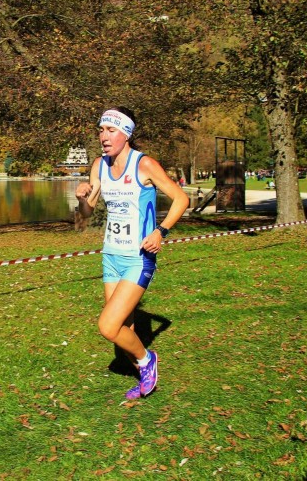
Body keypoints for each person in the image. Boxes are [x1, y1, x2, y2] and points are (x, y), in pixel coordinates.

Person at [75, 107, 189, 400]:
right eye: (101, 130)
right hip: (110, 256)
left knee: (108, 325)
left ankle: (147, 360)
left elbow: (181, 198)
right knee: (124, 327)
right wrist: (82, 198)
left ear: (126, 133)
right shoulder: (99, 165)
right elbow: (87, 213)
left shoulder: (145, 165)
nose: (103, 136)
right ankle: (143, 380)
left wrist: (160, 231)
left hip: (138, 258)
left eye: (111, 130)